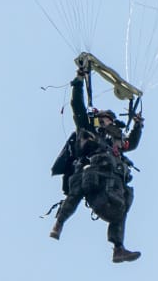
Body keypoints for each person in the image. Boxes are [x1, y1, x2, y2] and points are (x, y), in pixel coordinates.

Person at [49, 60, 144, 262]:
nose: (107, 120)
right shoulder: (88, 129)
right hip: (89, 172)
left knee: (122, 207)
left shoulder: (115, 141)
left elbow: (131, 144)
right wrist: (79, 80)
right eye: (104, 117)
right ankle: (59, 224)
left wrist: (137, 126)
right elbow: (77, 105)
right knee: (77, 190)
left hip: (111, 182)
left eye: (110, 118)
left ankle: (118, 249)